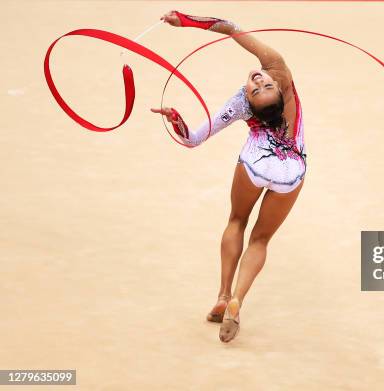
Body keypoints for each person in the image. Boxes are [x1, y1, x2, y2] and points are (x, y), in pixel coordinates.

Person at [151, 10, 307, 343]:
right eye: (260, 83)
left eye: (259, 85)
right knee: (261, 239)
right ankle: (238, 300)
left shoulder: (239, 104)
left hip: (255, 163)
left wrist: (185, 19)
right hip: (291, 170)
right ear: (282, 92)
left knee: (237, 220)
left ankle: (224, 295)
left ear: (250, 103)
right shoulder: (283, 77)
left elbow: (192, 139)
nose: (258, 79)